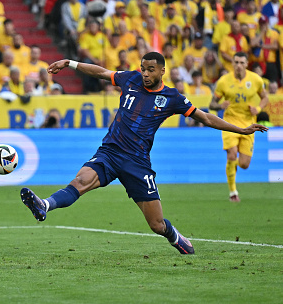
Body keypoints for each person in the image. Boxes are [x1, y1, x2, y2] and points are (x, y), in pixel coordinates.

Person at [20, 52, 268, 255]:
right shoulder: (130, 79)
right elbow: (101, 72)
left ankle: (174, 235)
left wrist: (242, 130)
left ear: (162, 70)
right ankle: (44, 205)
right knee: (80, 181)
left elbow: (205, 117)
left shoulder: (171, 97)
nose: (145, 74)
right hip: (110, 151)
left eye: (150, 70)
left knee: (156, 224)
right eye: (142, 68)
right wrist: (70, 63)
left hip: (137, 163)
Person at [210, 52, 269, 202]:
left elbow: (265, 98)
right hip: (229, 122)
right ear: (233, 64)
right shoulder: (224, 81)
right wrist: (219, 105)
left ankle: (232, 166)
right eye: (236, 62)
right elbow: (212, 104)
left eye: (242, 62)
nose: (238, 65)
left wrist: (258, 109)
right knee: (231, 154)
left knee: (244, 164)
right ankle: (233, 193)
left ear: (247, 64)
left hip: (248, 123)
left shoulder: (255, 79)